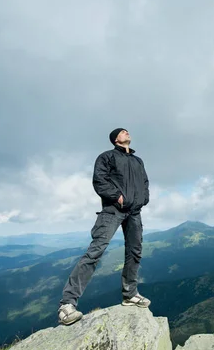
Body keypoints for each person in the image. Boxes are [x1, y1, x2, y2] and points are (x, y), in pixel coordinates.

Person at [57, 128, 151, 326]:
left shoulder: (137, 160)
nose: (127, 133)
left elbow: (145, 181)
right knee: (95, 252)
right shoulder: (106, 157)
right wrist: (117, 197)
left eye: (127, 131)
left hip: (134, 212)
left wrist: (144, 198)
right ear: (115, 139)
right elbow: (99, 181)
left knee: (135, 252)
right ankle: (67, 304)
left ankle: (130, 295)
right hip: (112, 211)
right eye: (122, 132)